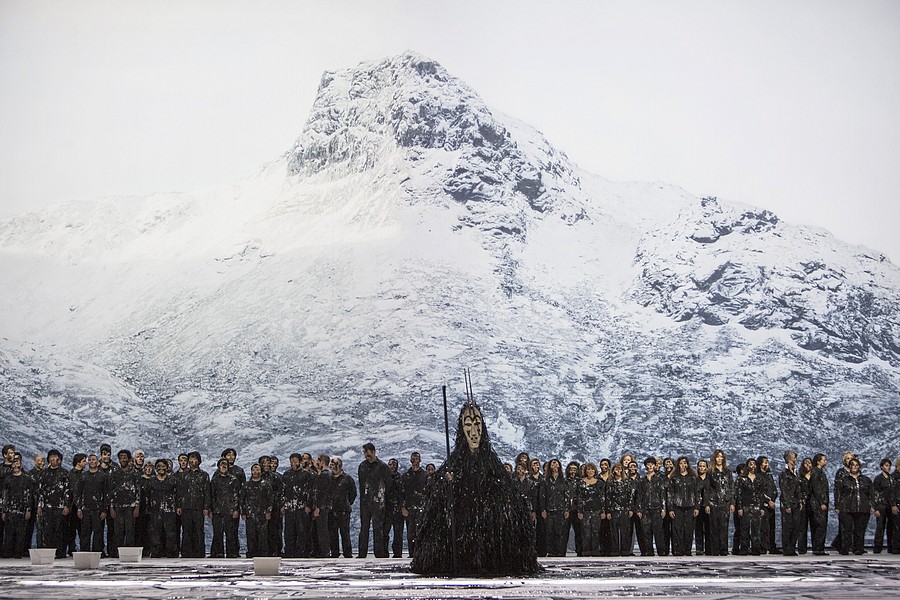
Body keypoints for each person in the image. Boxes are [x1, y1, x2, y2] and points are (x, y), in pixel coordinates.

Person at [410, 399, 539, 576]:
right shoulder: (453, 464)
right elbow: (437, 497)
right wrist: (448, 483)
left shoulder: (493, 465)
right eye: (468, 425)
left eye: (477, 424)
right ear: (462, 429)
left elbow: (509, 494)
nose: (474, 432)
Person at [357, 443, 391, 558]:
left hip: (378, 502)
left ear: (374, 452)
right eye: (365, 453)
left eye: (368, 453)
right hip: (365, 502)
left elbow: (388, 486)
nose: (367, 455)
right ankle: (362, 553)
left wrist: (385, 501)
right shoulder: (362, 466)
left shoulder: (382, 467)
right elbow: (361, 485)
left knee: (378, 528)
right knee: (364, 528)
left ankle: (379, 554)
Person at [836, 457, 874, 555]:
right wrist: (837, 506)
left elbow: (871, 494)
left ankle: (858, 549)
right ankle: (845, 549)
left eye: (856, 465)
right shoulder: (844, 480)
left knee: (860, 530)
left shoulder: (866, 480)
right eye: (852, 465)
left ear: (859, 467)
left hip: (863, 508)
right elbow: (838, 493)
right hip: (847, 508)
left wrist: (872, 506)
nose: (854, 467)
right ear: (849, 467)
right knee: (847, 530)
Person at [36, 449, 70, 559]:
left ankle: (60, 552)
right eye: (51, 457)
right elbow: (40, 491)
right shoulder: (44, 473)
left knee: (60, 530)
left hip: (60, 506)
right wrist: (40, 506)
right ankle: (49, 553)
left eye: (55, 457)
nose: (53, 459)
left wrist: (66, 505)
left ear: (59, 460)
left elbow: (67, 491)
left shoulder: (64, 473)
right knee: (48, 530)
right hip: (47, 506)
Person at [176, 451, 210, 558]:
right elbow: (179, 492)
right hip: (186, 507)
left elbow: (207, 492)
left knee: (199, 530)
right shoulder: (183, 475)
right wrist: (178, 505)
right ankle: (186, 553)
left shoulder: (204, 475)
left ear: (199, 461)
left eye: (195, 458)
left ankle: (199, 552)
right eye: (190, 458)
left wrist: (206, 507)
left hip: (198, 507)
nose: (192, 461)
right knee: (186, 530)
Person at [108, 449, 140, 557]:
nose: (123, 459)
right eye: (121, 457)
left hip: (131, 506)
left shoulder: (134, 472)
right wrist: (111, 507)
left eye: (125, 457)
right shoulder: (114, 472)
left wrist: (137, 506)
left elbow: (138, 490)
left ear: (129, 458)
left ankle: (129, 553)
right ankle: (118, 553)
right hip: (118, 506)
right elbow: (110, 490)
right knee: (118, 531)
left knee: (130, 530)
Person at [75, 454, 108, 555]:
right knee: (85, 533)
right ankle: (84, 553)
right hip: (86, 509)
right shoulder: (84, 476)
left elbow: (106, 493)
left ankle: (97, 553)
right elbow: (78, 493)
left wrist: (104, 510)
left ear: (97, 462)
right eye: (90, 460)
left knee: (98, 533)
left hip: (98, 510)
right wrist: (79, 508)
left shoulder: (103, 476)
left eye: (94, 460)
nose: (92, 461)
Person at [145, 459, 178, 558]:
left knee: (170, 532)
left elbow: (177, 495)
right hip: (155, 510)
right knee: (155, 532)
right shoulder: (151, 481)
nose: (161, 468)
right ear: (156, 468)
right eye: (158, 466)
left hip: (169, 510)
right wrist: (148, 509)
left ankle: (171, 552)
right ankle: (156, 552)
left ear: (167, 468)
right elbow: (147, 496)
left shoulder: (172, 480)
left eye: (163, 466)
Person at [1, 457, 33, 558]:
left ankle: (18, 553)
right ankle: (7, 553)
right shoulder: (8, 479)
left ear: (21, 465)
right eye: (13, 464)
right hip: (10, 510)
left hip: (22, 510)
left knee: (21, 533)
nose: (15, 466)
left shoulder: (27, 479)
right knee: (9, 534)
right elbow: (4, 496)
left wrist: (28, 510)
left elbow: (29, 495)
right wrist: (3, 511)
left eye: (17, 463)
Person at [209, 458, 241, 558]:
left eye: (225, 465)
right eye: (221, 465)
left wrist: (236, 509)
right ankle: (218, 552)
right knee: (217, 533)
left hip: (230, 510)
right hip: (217, 510)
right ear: (218, 467)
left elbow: (236, 495)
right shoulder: (214, 480)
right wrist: (210, 509)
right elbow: (211, 496)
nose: (223, 467)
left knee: (230, 533)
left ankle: (231, 553)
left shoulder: (233, 480)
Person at [282, 453, 311, 558]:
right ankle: (289, 551)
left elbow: (310, 491)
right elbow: (283, 491)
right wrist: (283, 505)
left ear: (300, 462)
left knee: (301, 530)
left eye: (295, 461)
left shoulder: (306, 474)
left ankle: (301, 552)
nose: (293, 463)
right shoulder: (286, 474)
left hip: (302, 507)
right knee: (289, 531)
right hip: (289, 507)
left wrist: (308, 505)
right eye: (291, 461)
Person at [668, 457, 699, 556]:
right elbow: (670, 494)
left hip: (690, 505)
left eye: (685, 463)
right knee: (677, 529)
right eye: (681, 463)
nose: (683, 465)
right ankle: (678, 550)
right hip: (677, 506)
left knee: (689, 529)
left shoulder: (693, 477)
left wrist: (697, 507)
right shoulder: (674, 477)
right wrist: (670, 509)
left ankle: (687, 550)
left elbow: (697, 493)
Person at [705, 449, 733, 557]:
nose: (719, 459)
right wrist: (707, 504)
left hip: (725, 502)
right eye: (717, 457)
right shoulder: (710, 472)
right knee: (714, 527)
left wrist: (731, 502)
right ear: (714, 458)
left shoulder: (728, 472)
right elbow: (707, 489)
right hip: (713, 502)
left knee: (724, 527)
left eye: (721, 457)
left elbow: (731, 488)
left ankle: (724, 550)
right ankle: (715, 550)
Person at [241, 464, 272, 558]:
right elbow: (242, 499)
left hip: (262, 514)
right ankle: (251, 553)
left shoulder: (266, 484)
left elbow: (270, 499)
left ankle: (263, 554)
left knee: (263, 535)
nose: (256, 471)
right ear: (251, 471)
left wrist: (268, 511)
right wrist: (243, 512)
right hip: (250, 514)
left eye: (258, 469)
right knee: (251, 535)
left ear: (260, 471)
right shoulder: (246, 485)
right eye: (254, 469)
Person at [735, 458, 765, 555]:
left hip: (756, 507)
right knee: (744, 529)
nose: (752, 466)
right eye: (750, 464)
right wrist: (739, 508)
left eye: (754, 464)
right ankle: (744, 549)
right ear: (747, 466)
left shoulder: (759, 478)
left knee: (756, 529)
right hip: (745, 506)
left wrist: (762, 508)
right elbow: (738, 494)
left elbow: (761, 494)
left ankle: (755, 549)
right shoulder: (741, 479)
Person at [328, 457, 356, 559]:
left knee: (345, 533)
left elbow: (353, 493)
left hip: (343, 510)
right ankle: (334, 552)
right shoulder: (329, 478)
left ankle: (347, 553)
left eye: (335, 465)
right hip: (331, 510)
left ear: (340, 466)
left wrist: (347, 503)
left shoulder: (347, 479)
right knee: (332, 533)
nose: (333, 467)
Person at [400, 452, 427, 556]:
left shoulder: (425, 476)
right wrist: (403, 507)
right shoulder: (405, 476)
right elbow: (401, 493)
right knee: (411, 533)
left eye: (417, 458)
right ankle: (412, 553)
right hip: (409, 509)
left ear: (420, 460)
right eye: (413, 458)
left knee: (422, 532)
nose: (415, 460)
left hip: (422, 508)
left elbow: (428, 492)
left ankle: (421, 554)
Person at [540, 458, 569, 556]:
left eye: (556, 463)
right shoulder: (545, 481)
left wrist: (566, 509)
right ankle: (550, 551)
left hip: (560, 510)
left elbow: (566, 496)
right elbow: (542, 496)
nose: (555, 465)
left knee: (559, 531)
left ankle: (559, 552)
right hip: (549, 510)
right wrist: (543, 509)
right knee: (549, 532)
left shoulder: (563, 481)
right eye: (552, 463)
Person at [605, 463, 634, 557]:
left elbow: (630, 496)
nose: (618, 471)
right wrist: (608, 511)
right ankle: (614, 551)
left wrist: (630, 509)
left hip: (625, 509)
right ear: (613, 471)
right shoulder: (610, 482)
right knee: (613, 531)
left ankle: (625, 551)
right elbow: (608, 497)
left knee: (625, 531)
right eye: (616, 469)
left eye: (620, 469)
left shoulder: (627, 482)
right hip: (613, 510)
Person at [576, 462, 604, 556]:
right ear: (585, 471)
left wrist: (603, 511)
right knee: (585, 532)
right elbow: (579, 498)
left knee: (596, 532)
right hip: (585, 512)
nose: (590, 471)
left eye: (592, 469)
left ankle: (595, 551)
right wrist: (579, 511)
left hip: (597, 511)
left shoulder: (600, 483)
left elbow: (602, 498)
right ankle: (586, 552)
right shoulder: (580, 482)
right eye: (588, 469)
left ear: (595, 471)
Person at [311, 454, 334, 558]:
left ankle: (324, 551)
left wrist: (318, 507)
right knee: (321, 530)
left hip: (322, 507)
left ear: (322, 462)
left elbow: (322, 493)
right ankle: (323, 551)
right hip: (324, 506)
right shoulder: (325, 474)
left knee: (322, 530)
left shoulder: (324, 475)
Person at [779, 450, 801, 556]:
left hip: (796, 503)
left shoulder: (795, 472)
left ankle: (792, 547)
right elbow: (784, 490)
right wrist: (787, 504)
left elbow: (798, 488)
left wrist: (800, 500)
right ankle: (787, 548)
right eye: (794, 458)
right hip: (787, 503)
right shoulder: (784, 473)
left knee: (796, 526)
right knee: (788, 527)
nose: (795, 460)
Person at [809, 453, 830, 555]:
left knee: (821, 525)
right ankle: (818, 548)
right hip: (817, 503)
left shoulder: (820, 472)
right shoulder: (816, 472)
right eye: (823, 460)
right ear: (818, 461)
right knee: (820, 525)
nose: (825, 461)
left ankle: (819, 547)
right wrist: (822, 502)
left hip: (819, 502)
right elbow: (817, 489)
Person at [384, 458, 404, 558]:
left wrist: (402, 507)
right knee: (384, 532)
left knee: (398, 533)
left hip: (398, 509)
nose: (392, 466)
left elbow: (402, 494)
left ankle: (397, 553)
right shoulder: (384, 478)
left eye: (394, 465)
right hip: (386, 509)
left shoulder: (401, 479)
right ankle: (384, 552)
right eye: (390, 464)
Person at [757, 456, 778, 553]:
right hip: (763, 505)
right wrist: (767, 501)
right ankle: (763, 547)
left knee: (771, 528)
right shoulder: (758, 476)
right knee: (763, 528)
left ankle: (771, 546)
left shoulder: (769, 475)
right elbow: (759, 491)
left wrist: (773, 500)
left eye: (767, 462)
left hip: (771, 505)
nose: (767, 464)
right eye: (765, 462)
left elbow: (773, 489)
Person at [873, 458, 894, 554]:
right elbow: (875, 493)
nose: (888, 467)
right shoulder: (878, 479)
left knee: (891, 527)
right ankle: (877, 548)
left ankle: (891, 547)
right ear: (881, 467)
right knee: (880, 527)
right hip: (881, 506)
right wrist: (876, 508)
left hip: (890, 506)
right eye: (886, 465)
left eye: (889, 465)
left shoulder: (891, 478)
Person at [564, 461, 583, 556]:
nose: (572, 471)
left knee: (579, 532)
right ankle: (561, 551)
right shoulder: (564, 481)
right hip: (566, 510)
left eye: (574, 469)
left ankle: (579, 551)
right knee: (564, 532)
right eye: (571, 469)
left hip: (577, 510)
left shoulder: (581, 482)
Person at [694, 459, 710, 555]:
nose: (702, 468)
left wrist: (708, 504)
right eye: (700, 466)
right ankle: (699, 549)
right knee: (698, 529)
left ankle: (709, 549)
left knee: (709, 528)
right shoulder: (695, 479)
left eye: (704, 466)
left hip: (708, 507)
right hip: (698, 507)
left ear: (707, 468)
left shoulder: (710, 479)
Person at [797, 457, 813, 554]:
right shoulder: (800, 477)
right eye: (805, 463)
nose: (808, 465)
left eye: (809, 463)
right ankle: (802, 548)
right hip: (803, 504)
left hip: (814, 504)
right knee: (802, 527)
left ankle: (817, 547)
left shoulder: (815, 476)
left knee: (815, 526)